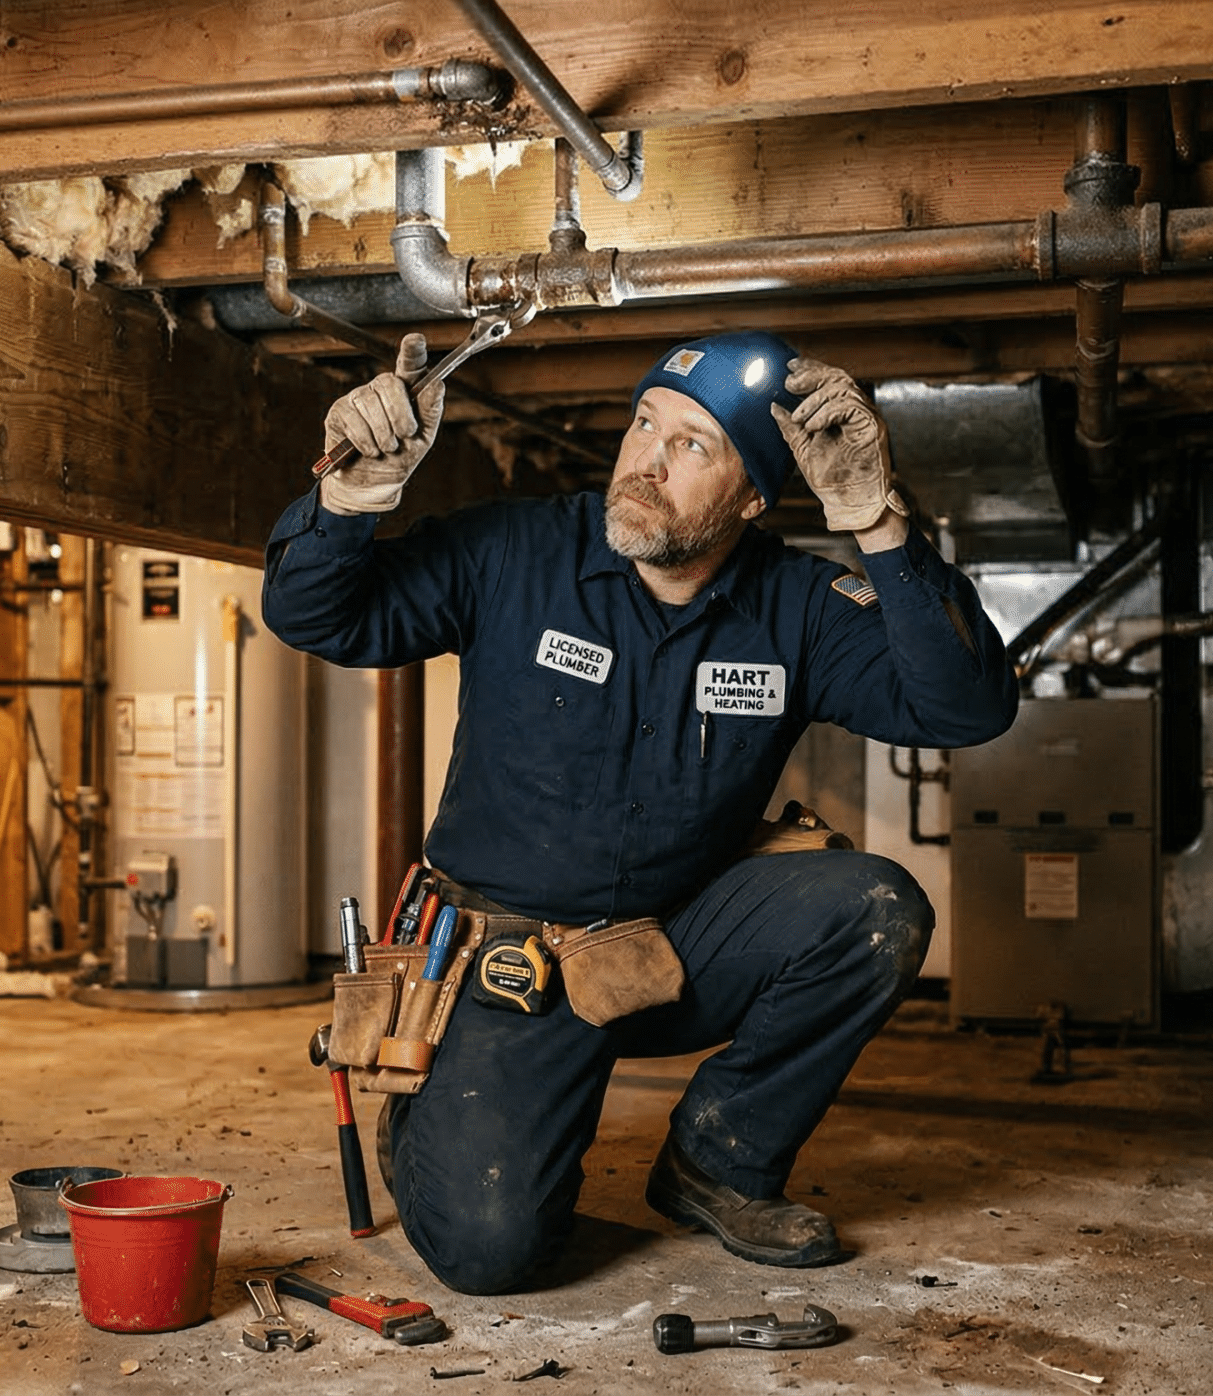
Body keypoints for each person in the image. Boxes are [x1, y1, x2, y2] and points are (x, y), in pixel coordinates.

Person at [262, 329, 1018, 1295]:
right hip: (508, 961)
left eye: (693, 447)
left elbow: (965, 707)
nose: (646, 462)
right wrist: (351, 495)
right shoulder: (516, 551)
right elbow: (318, 616)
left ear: (753, 498)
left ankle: (720, 1161)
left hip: (674, 942)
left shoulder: (797, 604)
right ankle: (440, 1104)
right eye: (645, 424)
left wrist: (875, 519)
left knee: (874, 910)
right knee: (493, 1253)